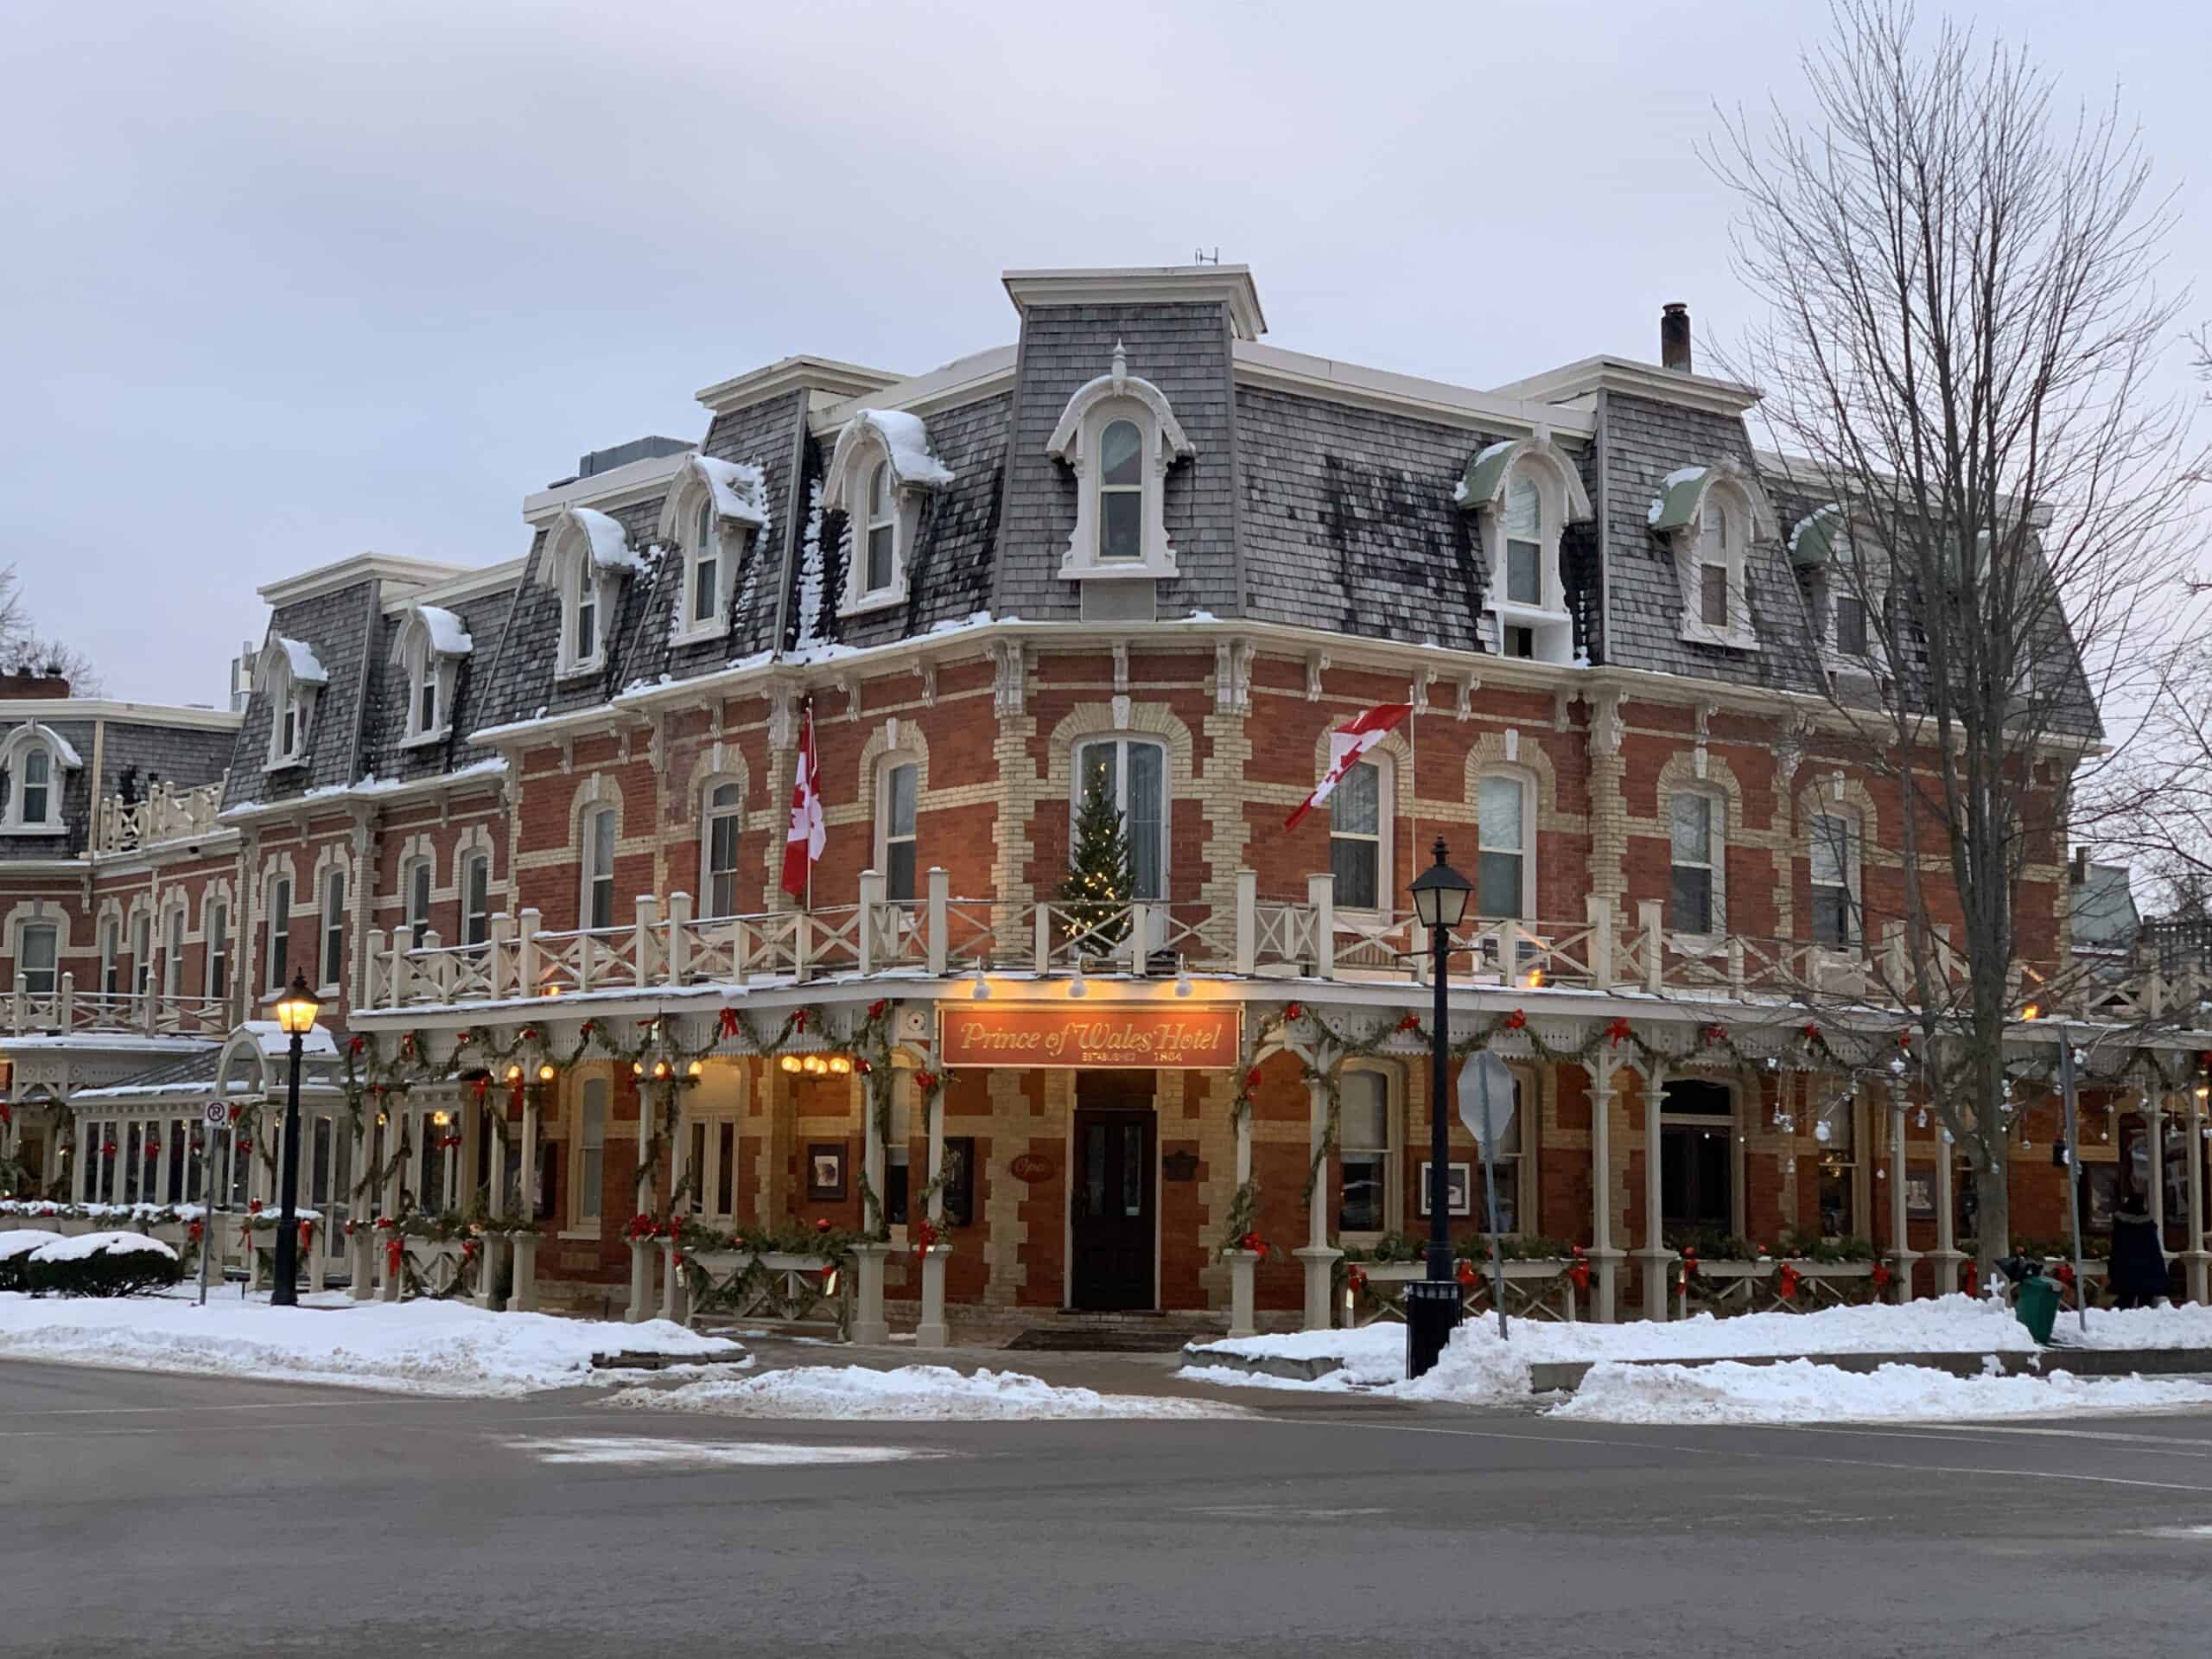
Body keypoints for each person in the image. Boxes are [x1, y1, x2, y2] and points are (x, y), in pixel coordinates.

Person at [2107, 1196, 2167, 1309]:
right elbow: (2154, 1248)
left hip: (2126, 1268)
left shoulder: (2121, 1225)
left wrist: (2113, 1266)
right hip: (2147, 1269)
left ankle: (2122, 1322)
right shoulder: (2148, 1225)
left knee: (2125, 1300)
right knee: (2145, 1303)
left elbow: (2117, 1247)